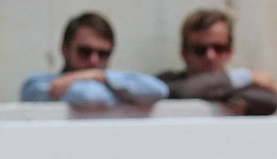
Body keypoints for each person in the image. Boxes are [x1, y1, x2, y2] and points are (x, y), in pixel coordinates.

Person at [19, 12, 168, 109]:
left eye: (103, 53)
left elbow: (159, 90)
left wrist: (98, 76)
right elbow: (91, 96)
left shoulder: (107, 80)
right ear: (65, 50)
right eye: (85, 51)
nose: (94, 60)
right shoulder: (38, 83)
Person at [158, 9, 277, 116]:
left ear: (230, 51)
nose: (210, 56)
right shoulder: (169, 81)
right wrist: (245, 76)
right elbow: (181, 91)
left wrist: (213, 89)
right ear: (184, 53)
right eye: (200, 50)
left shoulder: (241, 86)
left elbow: (270, 101)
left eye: (219, 48)